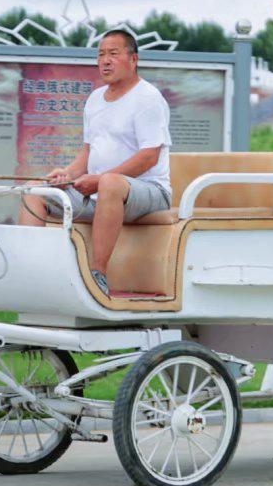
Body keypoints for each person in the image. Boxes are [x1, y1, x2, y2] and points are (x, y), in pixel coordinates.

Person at [19, 29, 172, 296]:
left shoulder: (148, 98)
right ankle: (31, 274)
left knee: (110, 183)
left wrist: (100, 180)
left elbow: (150, 156)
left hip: (150, 192)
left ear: (133, 59)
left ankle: (96, 276)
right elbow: (88, 153)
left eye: (113, 54)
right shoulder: (94, 99)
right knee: (35, 191)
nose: (105, 61)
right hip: (103, 193)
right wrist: (67, 174)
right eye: (101, 55)